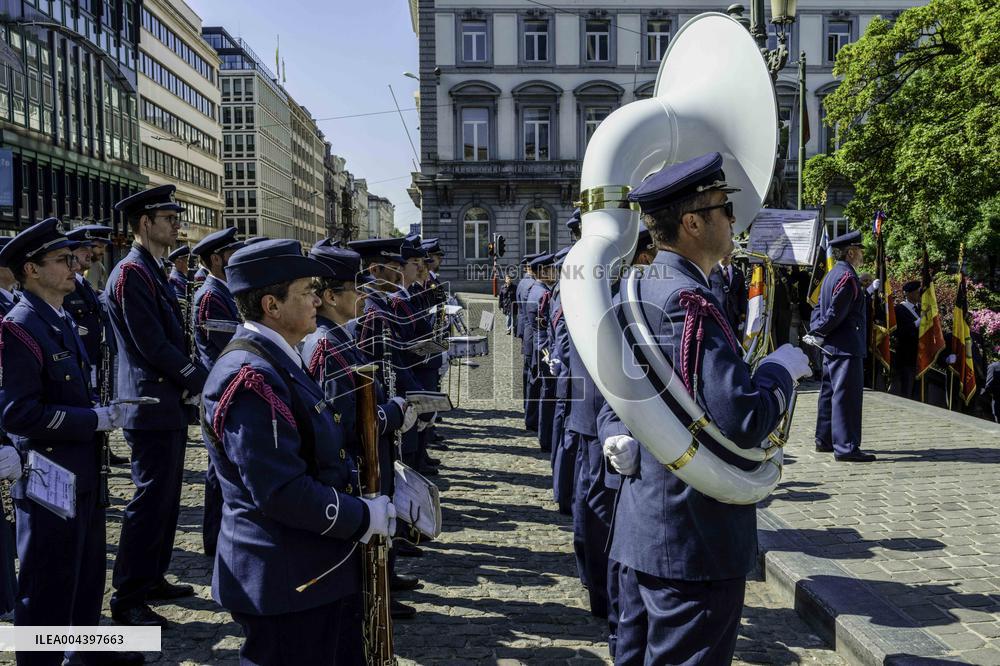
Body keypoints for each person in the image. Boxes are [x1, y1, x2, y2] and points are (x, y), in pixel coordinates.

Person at [597, 153, 809, 665]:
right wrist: (782, 370)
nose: (734, 220)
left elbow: (612, 385)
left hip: (640, 528)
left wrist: (612, 430)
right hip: (692, 538)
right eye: (723, 209)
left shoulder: (636, 285)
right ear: (692, 222)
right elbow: (742, 418)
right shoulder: (688, 299)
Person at [202, 239, 396, 664]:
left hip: (312, 564)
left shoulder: (279, 358)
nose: (316, 299)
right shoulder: (251, 376)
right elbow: (280, 491)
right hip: (286, 576)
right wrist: (361, 516)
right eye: (307, 291)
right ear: (272, 305)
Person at [0, 219, 142, 666]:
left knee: (83, 576)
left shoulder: (58, 317)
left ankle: (81, 652)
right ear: (31, 269)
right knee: (45, 586)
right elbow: (18, 413)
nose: (73, 269)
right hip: (47, 475)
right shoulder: (19, 327)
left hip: (82, 472)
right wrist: (92, 419)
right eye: (61, 261)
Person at [301, 240, 420, 625]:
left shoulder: (339, 336)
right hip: (356, 468)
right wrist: (393, 413)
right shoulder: (327, 345)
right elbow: (345, 421)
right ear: (331, 297)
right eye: (356, 290)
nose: (363, 297)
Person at [104, 185, 206, 626]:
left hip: (164, 402)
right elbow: (151, 343)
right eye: (169, 218)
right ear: (145, 223)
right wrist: (195, 378)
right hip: (148, 401)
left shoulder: (151, 269)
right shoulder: (131, 273)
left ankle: (152, 577)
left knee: (165, 500)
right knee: (148, 502)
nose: (177, 224)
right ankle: (128, 597)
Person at [190, 227, 244, 559]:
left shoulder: (224, 291)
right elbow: (226, 343)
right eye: (231, 254)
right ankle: (214, 539)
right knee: (217, 471)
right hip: (220, 387)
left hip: (226, 386)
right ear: (215, 259)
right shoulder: (211, 295)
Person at [809, 230, 876, 462]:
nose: (862, 256)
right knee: (846, 397)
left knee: (829, 392)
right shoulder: (847, 277)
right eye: (859, 251)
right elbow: (836, 312)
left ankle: (825, 439)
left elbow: (818, 308)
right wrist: (819, 331)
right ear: (850, 253)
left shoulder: (832, 275)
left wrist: (817, 330)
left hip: (833, 346)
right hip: (846, 346)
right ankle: (846, 447)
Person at [525, 253, 555, 450]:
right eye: (552, 269)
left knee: (541, 387)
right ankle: (546, 437)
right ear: (543, 272)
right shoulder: (543, 294)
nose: (556, 272)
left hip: (537, 344)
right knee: (549, 392)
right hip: (544, 347)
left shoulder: (535, 289)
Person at [890, 281, 921, 400]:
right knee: (906, 390)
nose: (919, 295)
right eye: (917, 292)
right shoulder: (899, 309)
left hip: (920, 356)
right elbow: (898, 332)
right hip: (906, 356)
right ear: (909, 293)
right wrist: (916, 324)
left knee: (918, 392)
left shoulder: (921, 309)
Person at [708, 251, 746, 335]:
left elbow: (742, 295)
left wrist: (743, 315)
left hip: (734, 317)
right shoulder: (710, 271)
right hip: (717, 315)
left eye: (728, 253)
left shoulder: (739, 273)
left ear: (731, 255)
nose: (725, 255)